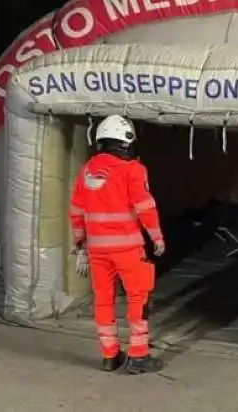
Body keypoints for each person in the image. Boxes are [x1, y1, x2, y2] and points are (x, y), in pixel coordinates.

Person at [69, 114, 166, 374]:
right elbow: (145, 207)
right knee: (139, 297)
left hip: (98, 250)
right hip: (128, 249)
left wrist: (79, 243)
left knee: (103, 300)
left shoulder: (87, 170)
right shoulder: (132, 169)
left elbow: (76, 210)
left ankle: (110, 355)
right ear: (126, 141)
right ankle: (138, 354)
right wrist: (156, 237)